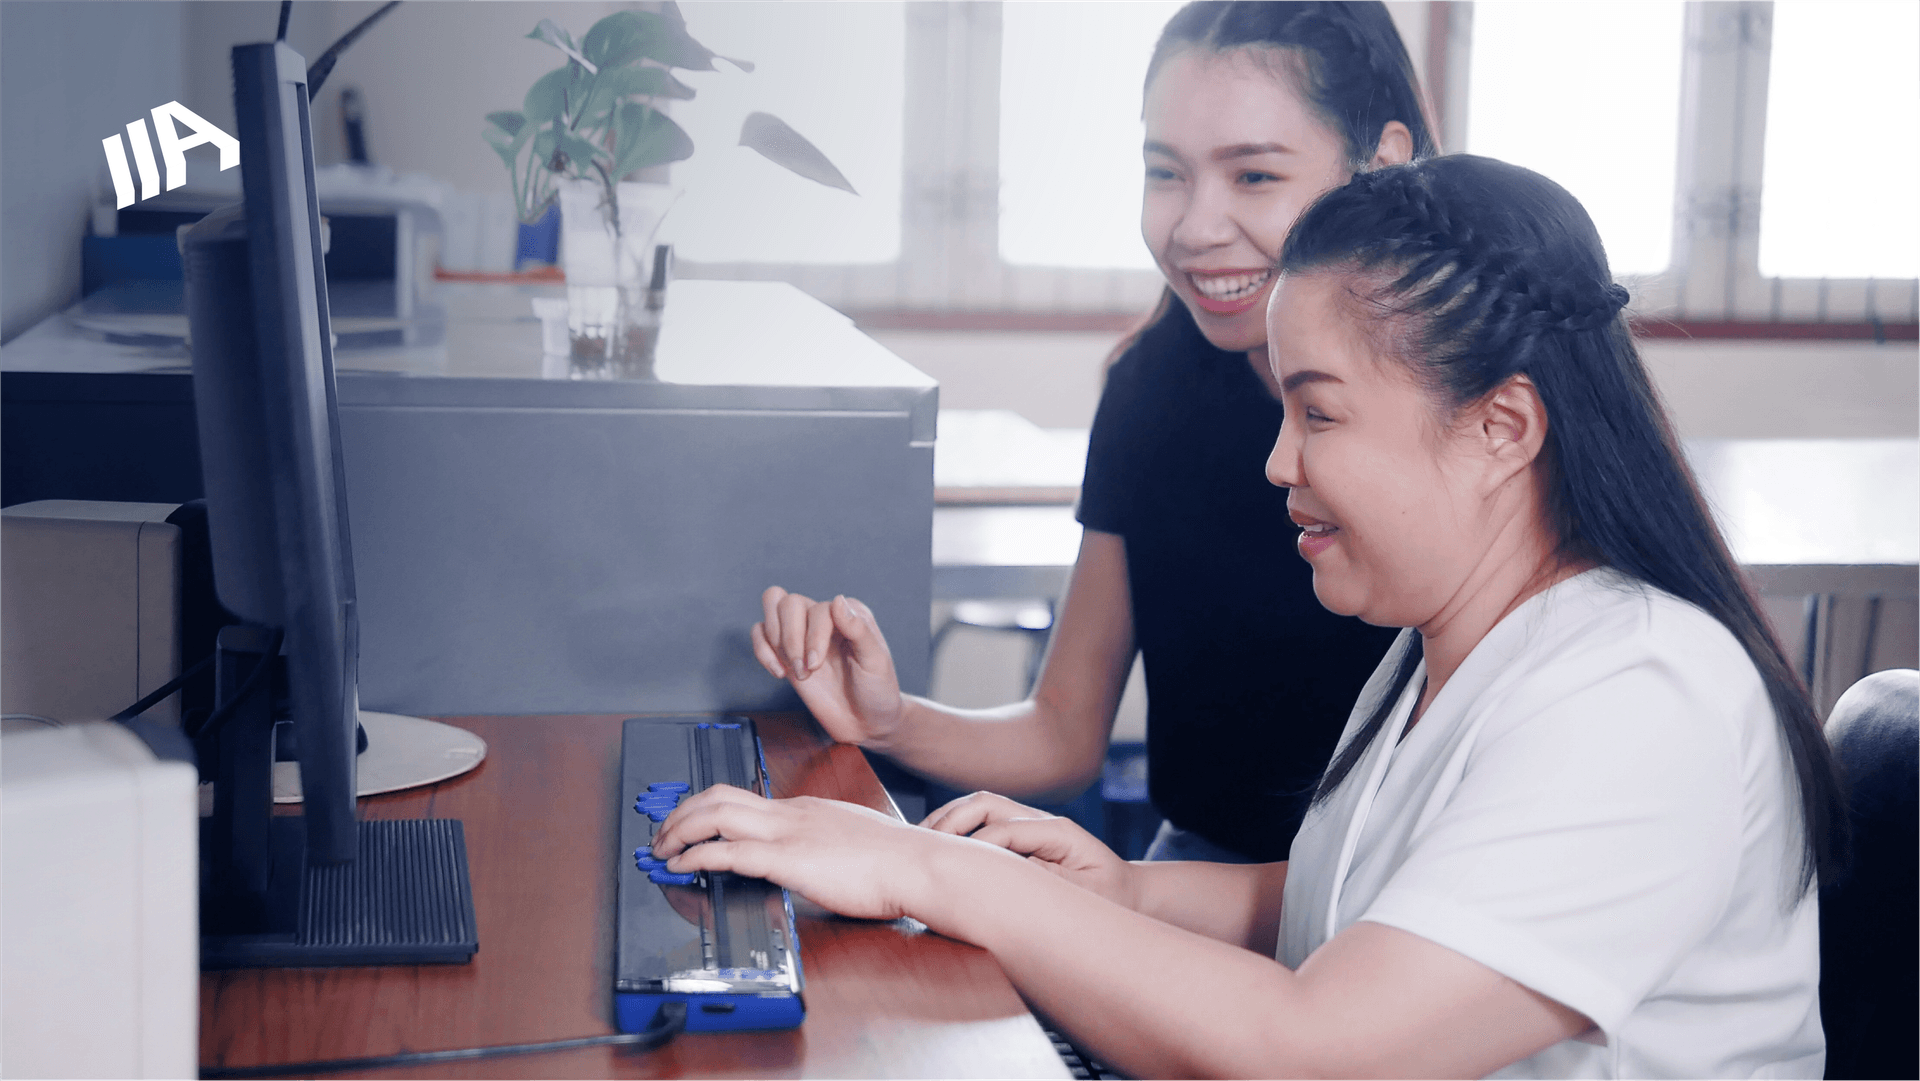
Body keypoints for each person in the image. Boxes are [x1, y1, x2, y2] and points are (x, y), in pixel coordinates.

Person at [654, 155, 1849, 1078]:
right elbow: (1375, 901)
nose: (1279, 461)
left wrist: (930, 870)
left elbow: (1315, 1050)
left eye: (1319, 415)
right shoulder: (1458, 641)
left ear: (1502, 429)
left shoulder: (1641, 696)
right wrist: (1114, 889)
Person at [753, 0, 1431, 864]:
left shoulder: (1461, 405)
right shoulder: (1154, 387)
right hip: (1198, 868)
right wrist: (885, 716)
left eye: (1254, 176)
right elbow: (1064, 731)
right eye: (1166, 172)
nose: (1193, 227)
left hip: (1398, 903)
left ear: (1380, 167)